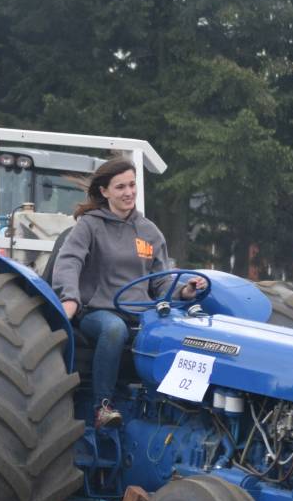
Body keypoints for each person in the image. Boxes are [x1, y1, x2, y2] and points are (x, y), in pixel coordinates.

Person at [48, 157, 189, 428]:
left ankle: (172, 407)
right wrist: (69, 298)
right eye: (120, 187)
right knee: (114, 329)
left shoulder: (149, 232)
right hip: (97, 312)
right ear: (105, 192)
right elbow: (69, 261)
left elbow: (160, 283)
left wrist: (184, 291)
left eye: (132, 185)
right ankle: (103, 406)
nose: (128, 193)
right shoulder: (90, 226)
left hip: (140, 314)